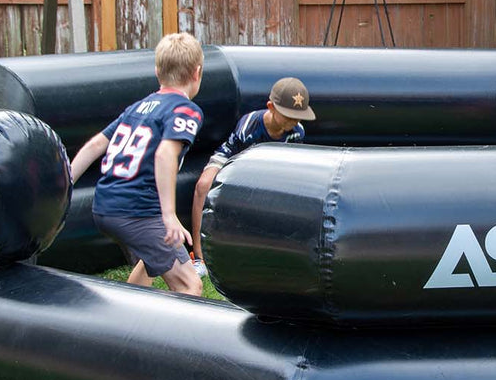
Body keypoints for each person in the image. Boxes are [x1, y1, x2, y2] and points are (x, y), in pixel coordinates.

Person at [68, 33, 205, 295]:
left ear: (157, 72)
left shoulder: (138, 107)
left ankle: (126, 316)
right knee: (190, 284)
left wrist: (65, 186)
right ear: (197, 73)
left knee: (151, 258)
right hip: (137, 211)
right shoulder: (185, 110)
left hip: (105, 206)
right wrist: (168, 215)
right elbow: (164, 155)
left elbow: (95, 145)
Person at [189, 77, 315, 274]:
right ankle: (199, 258)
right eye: (288, 116)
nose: (293, 122)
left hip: (269, 170)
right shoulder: (250, 126)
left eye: (297, 117)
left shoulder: (297, 133)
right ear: (271, 107)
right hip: (233, 161)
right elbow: (238, 167)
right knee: (203, 185)